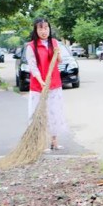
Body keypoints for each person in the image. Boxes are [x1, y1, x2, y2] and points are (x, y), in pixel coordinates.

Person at [25, 18, 68, 151]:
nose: (44, 31)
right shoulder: (31, 46)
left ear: (49, 29)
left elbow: (59, 61)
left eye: (46, 28)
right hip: (39, 87)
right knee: (40, 114)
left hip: (54, 84)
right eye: (40, 28)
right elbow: (33, 67)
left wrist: (57, 53)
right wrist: (41, 81)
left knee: (54, 112)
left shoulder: (54, 42)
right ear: (36, 30)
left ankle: (54, 141)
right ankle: (41, 143)